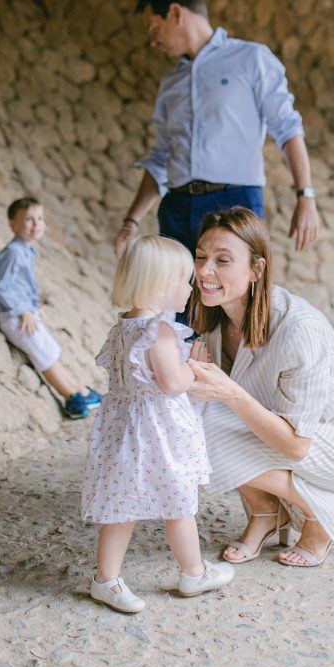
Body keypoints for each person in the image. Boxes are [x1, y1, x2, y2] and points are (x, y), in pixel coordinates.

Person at [187, 207, 334, 568]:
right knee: (188, 419)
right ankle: (265, 512)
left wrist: (227, 390)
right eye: (200, 256)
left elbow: (295, 443)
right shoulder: (214, 314)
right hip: (276, 431)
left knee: (206, 425)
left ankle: (322, 514)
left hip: (333, 442)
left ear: (257, 270)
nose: (204, 271)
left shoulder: (299, 329)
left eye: (223, 260)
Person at [113, 0, 320, 261]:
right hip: (176, 208)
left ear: (175, 13)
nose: (152, 41)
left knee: (236, 302)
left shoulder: (252, 60)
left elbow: (287, 129)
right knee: (178, 303)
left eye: (153, 27)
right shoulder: (170, 82)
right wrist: (130, 221)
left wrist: (305, 196)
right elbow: (161, 157)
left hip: (235, 204)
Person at [81, 234, 235, 613]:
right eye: (183, 279)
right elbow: (172, 383)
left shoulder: (124, 327)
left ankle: (106, 578)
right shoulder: (160, 331)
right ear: (158, 284)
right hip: (160, 434)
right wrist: (193, 365)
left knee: (122, 507)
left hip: (125, 431)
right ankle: (193, 572)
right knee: (180, 503)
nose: (190, 286)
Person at [0, 197, 103, 420]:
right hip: (14, 316)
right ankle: (71, 398)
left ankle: (81, 391)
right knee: (44, 356)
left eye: (39, 219)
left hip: (24, 313)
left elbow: (19, 285)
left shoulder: (26, 251)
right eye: (29, 220)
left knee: (51, 350)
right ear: (12, 224)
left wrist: (33, 305)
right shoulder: (13, 253)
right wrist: (23, 310)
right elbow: (0, 287)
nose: (36, 224)